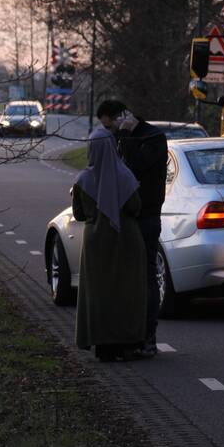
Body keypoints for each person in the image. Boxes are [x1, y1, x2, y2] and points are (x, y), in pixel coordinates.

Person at [96, 100, 168, 358]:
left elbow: (133, 166)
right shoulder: (119, 137)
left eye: (112, 126)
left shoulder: (153, 137)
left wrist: (125, 135)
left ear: (124, 117)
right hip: (122, 217)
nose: (111, 132)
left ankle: (147, 336)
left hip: (145, 216)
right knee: (123, 279)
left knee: (146, 277)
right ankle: (125, 336)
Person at [73, 127, 147, 361]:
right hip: (126, 239)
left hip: (96, 242)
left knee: (98, 293)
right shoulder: (125, 176)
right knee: (127, 292)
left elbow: (78, 214)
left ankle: (101, 342)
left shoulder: (83, 180)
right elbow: (136, 207)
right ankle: (127, 341)